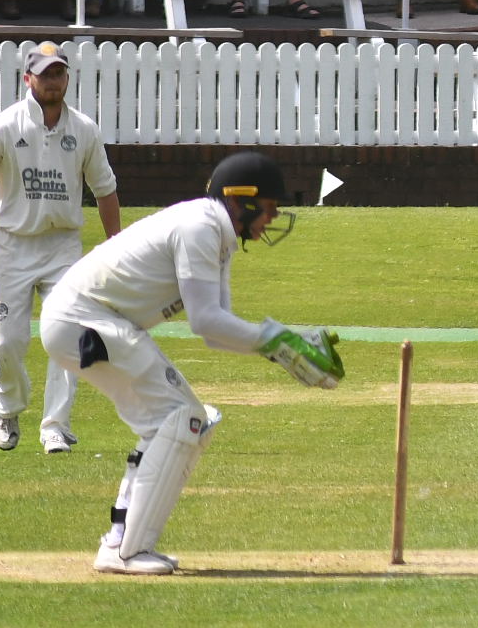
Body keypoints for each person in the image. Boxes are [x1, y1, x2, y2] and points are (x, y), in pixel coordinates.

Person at [38, 151, 344, 575]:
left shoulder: (217, 235)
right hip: (83, 319)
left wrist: (280, 347)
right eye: (269, 206)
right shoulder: (199, 227)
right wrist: (278, 340)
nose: (273, 217)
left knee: (177, 423)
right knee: (183, 418)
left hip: (89, 321)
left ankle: (122, 542)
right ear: (241, 200)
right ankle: (127, 550)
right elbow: (205, 321)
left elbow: (215, 330)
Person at [0, 41, 121, 454]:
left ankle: (56, 426)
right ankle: (7, 410)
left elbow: (105, 190)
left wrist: (115, 245)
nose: (53, 82)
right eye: (45, 75)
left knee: (68, 334)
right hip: (12, 247)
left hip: (62, 246)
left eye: (59, 73)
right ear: (28, 79)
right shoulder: (4, 126)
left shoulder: (83, 129)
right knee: (7, 342)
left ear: (67, 78)